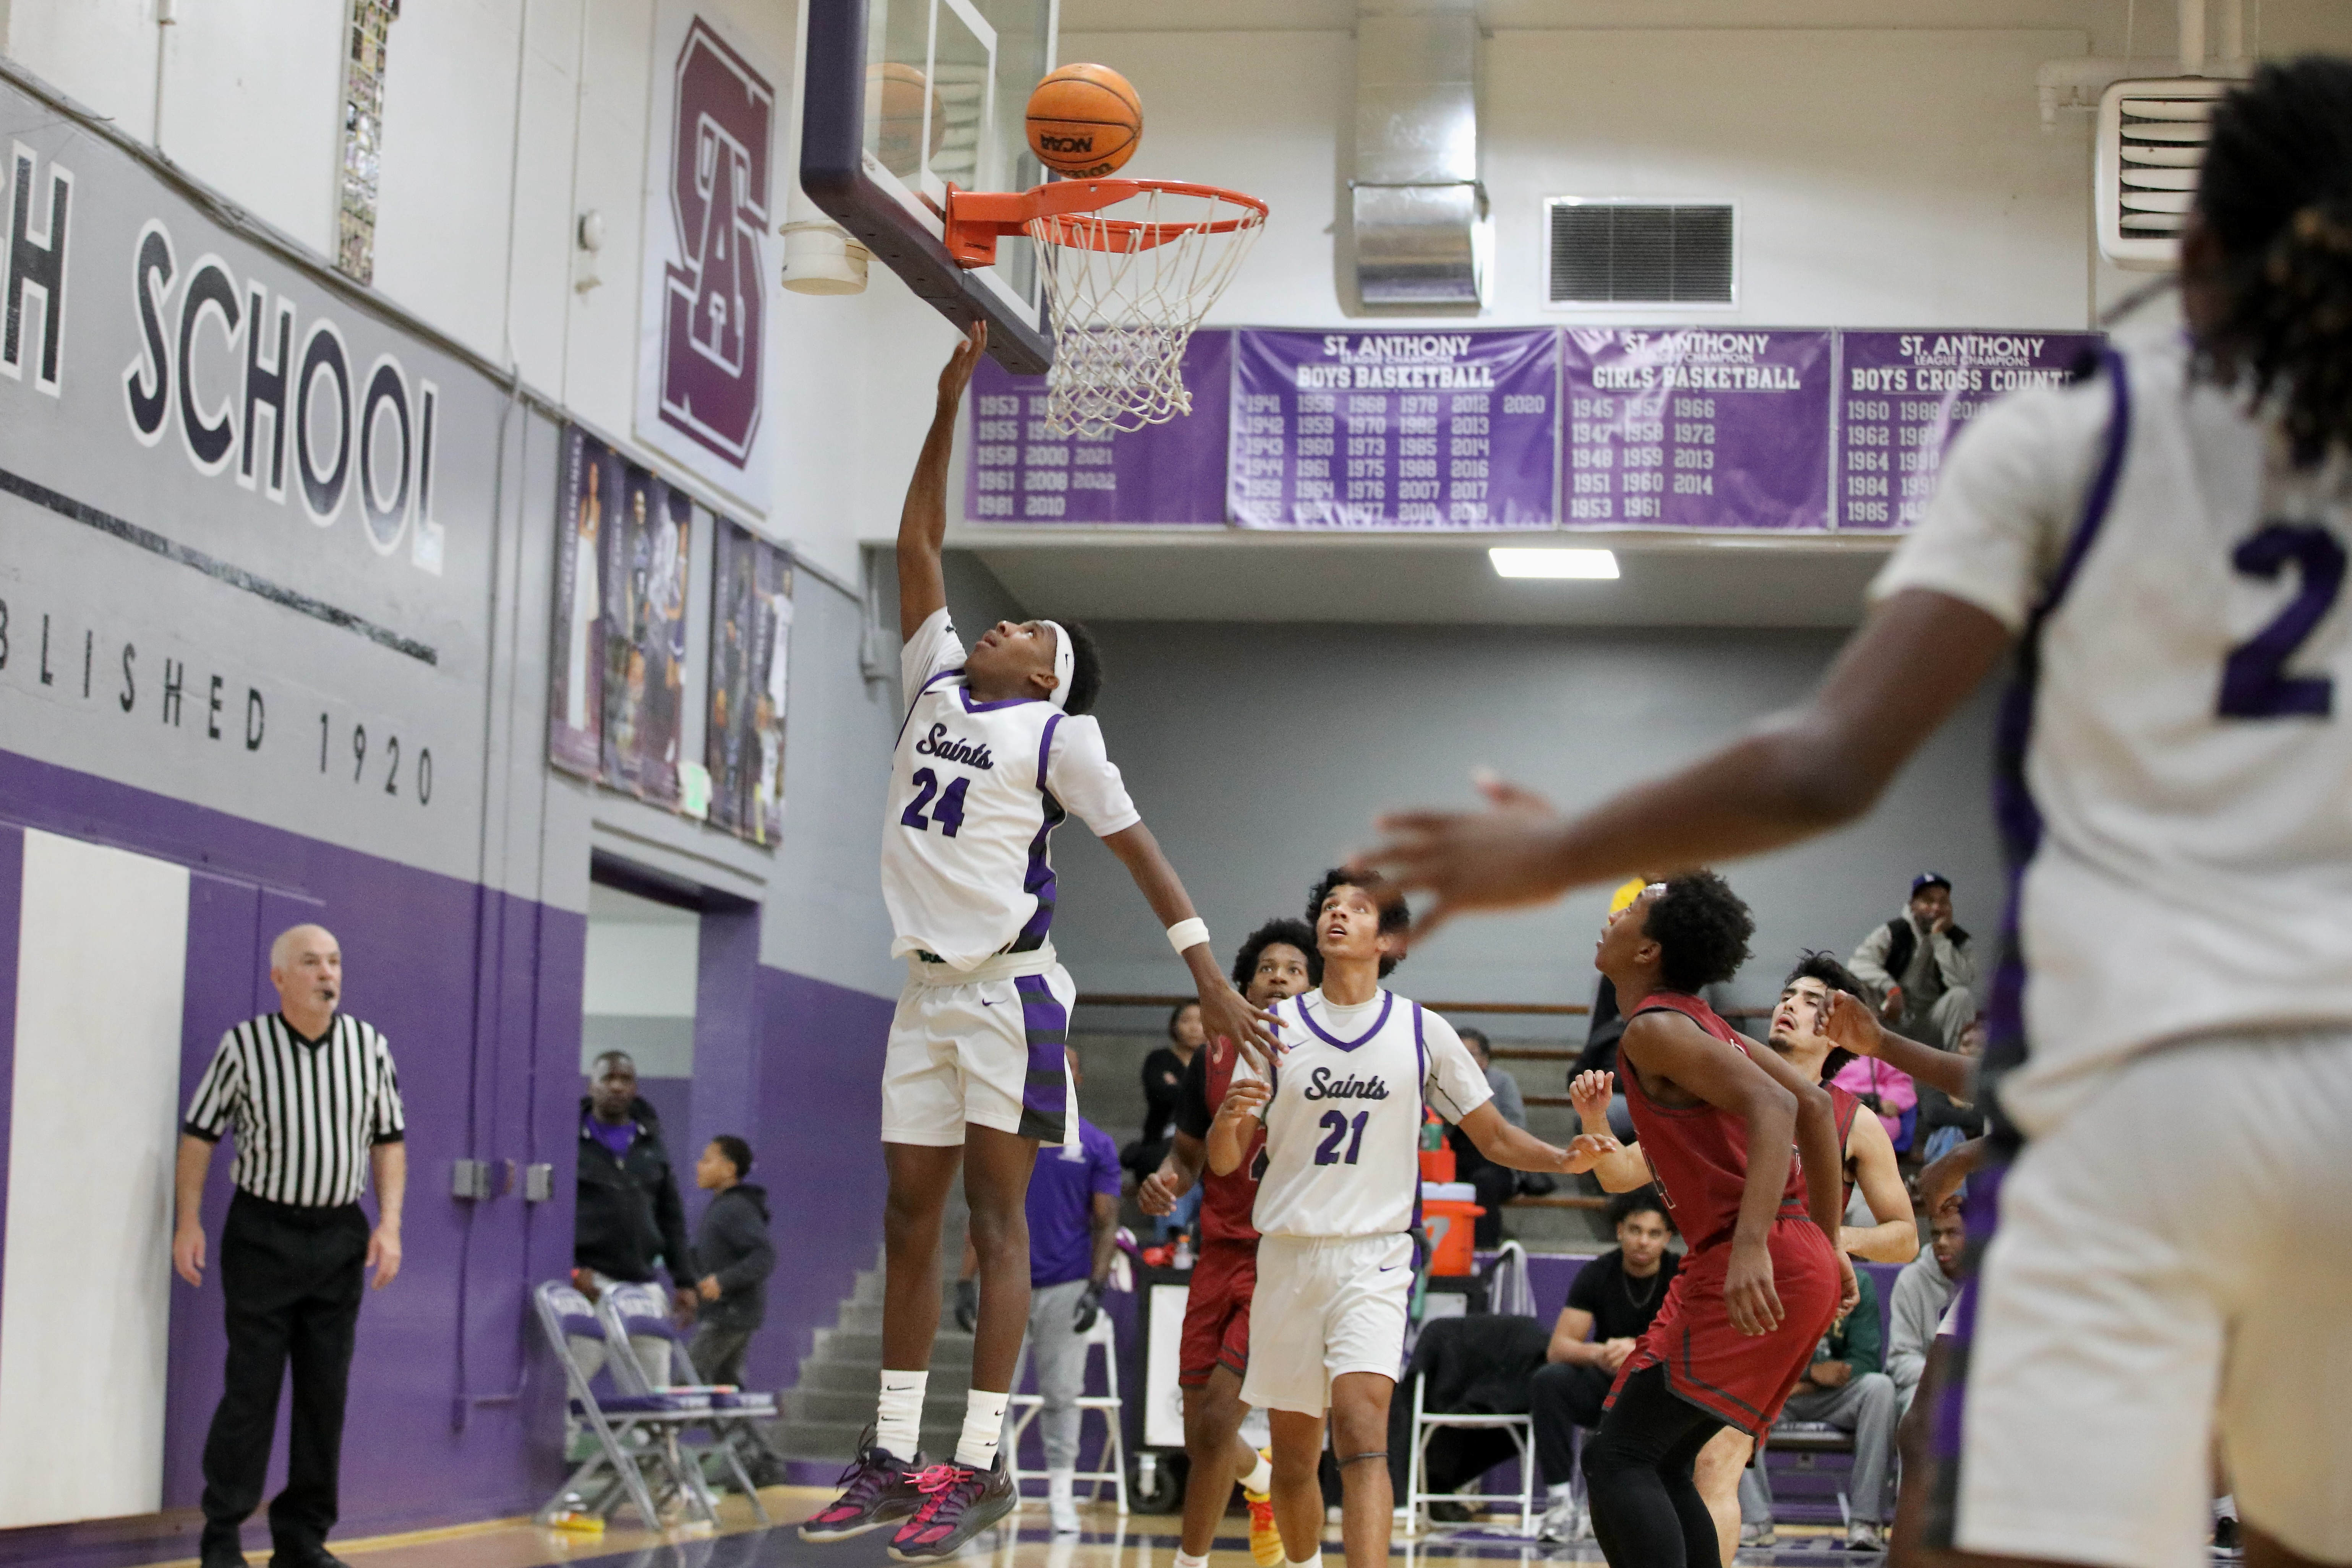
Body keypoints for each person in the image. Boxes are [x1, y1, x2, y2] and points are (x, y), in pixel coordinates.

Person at [1360, 57, 2352, 1568]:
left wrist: (1556, 844)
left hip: (2138, 1105)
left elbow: (1826, 758)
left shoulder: (2075, 431)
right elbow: (1808, 1105)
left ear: (2193, 247)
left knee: (1951, 1523)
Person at [803, 323, 1276, 1562]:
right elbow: (915, 543)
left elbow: (1141, 850)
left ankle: (979, 1466)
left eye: (1028, 633)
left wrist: (1210, 979)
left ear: (1048, 675)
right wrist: (943, 405)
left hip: (1016, 999)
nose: (1001, 628)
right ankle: (895, 1454)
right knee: (907, 1221)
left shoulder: (1058, 739)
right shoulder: (932, 682)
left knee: (996, 1228)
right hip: (921, 993)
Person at [1208, 870, 1609, 1568]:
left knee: (1365, 1436)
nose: (1337, 915)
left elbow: (1491, 1134)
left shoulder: (1422, 1030)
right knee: (1299, 1458)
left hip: (1375, 1256)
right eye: (1330, 906)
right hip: (1288, 1253)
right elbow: (1222, 1161)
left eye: (1357, 909)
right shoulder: (1276, 1027)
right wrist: (1230, 1118)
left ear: (1388, 937)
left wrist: (1562, 1156)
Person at [1574, 949, 1919, 1563]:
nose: (1789, 1004)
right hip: (1714, 1276)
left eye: (1812, 1000)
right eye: (1787, 994)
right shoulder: (1722, 1082)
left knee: (1704, 1459)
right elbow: (1622, 1171)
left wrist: (1831, 1239)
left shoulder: (1849, 1119)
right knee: (1656, 1455)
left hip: (1774, 1282)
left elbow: (1904, 1236)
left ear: (1839, 1029)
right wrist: (1597, 1121)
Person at [174, 924, 406, 1568]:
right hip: (262, 1232)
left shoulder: (369, 1046)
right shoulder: (244, 1046)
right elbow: (199, 1135)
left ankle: (301, 1537)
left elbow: (389, 1140)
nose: (326, 972)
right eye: (310, 962)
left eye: (334, 960)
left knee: (324, 1392)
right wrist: (187, 1221)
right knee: (251, 1388)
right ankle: (222, 1534)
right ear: (280, 977)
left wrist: (389, 1224)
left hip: (339, 1233)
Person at [1139, 918, 1318, 1568]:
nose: (1277, 975)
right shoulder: (1212, 1057)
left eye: (1294, 967)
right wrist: (1165, 1181)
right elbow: (1185, 1156)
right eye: (1266, 966)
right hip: (1217, 1253)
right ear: (1242, 984)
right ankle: (1263, 1483)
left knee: (1219, 1417)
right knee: (1200, 1432)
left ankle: (1191, 1561)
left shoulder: (1328, 1063)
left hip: (1281, 1259)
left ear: (1313, 987)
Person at [963, 1049, 1121, 1536]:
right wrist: (963, 1280)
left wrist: (1095, 1287)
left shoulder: (1095, 1143)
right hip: (1007, 1282)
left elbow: (1106, 1221)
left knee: (1061, 1394)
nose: (1061, 1070)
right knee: (993, 1394)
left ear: (1078, 1073)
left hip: (1066, 1283)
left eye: (1069, 1063)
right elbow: (984, 1210)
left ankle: (1060, 1491)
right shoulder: (1007, 1137)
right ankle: (987, 1488)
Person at [1531, 1190, 1680, 1542]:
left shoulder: (1680, 1276)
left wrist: (1640, 1351)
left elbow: (1695, 1343)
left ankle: (1680, 1502)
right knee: (1549, 1380)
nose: (1643, 1240)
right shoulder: (1598, 1273)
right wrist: (1600, 1353)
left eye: (1654, 1233)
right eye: (1635, 1229)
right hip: (1609, 1383)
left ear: (1668, 1238)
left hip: (1661, 1386)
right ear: (1619, 1231)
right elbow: (1559, 1347)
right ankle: (1560, 1502)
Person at [1735, 1267, 1897, 1552]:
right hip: (1778, 1393)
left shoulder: (1858, 1282)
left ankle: (1865, 1521)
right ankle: (1754, 1518)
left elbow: (1864, 1360)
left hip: (1836, 1396)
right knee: (1740, 1394)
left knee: (1880, 1388)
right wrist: (1812, 1374)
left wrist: (1813, 1380)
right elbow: (1756, 1357)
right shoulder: (1771, 1275)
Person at [574, 1049, 698, 1390]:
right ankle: (561, 1444)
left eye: (624, 1079)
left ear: (635, 1088)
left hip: (642, 1283)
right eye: (607, 1078)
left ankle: (651, 1442)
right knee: (568, 1385)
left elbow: (671, 1217)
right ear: (592, 1086)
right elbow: (554, 1212)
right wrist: (569, 1268)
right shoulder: (569, 1141)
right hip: (588, 1285)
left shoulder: (652, 1143)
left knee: (653, 1390)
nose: (616, 1086)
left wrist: (685, 1281)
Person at [688, 1135, 785, 1485]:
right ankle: (763, 1462)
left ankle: (738, 1457)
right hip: (732, 1312)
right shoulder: (723, 1207)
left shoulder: (735, 1208)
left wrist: (724, 1281)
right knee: (726, 1387)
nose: (700, 1166)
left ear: (730, 1169)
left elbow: (763, 1256)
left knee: (689, 1381)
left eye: (708, 1159)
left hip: (729, 1314)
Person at [1848, 874, 1977, 1049]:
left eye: (1943, 902)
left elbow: (1961, 982)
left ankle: (1953, 1067)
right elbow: (1858, 965)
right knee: (1864, 994)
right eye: (1928, 901)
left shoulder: (1959, 941)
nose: (1936, 908)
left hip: (1932, 1023)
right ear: (1913, 905)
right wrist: (1891, 989)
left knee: (1962, 996)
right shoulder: (1893, 932)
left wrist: (1940, 939)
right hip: (1894, 1023)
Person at [1131, 1002, 1207, 1240]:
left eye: (1201, 1020)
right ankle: (1169, 1250)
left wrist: (1179, 1087)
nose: (1195, 1028)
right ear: (1174, 1026)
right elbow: (1160, 1093)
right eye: (1186, 1021)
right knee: (1174, 1182)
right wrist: (1198, 1093)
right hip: (1164, 1149)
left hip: (1209, 1153)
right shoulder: (1160, 1059)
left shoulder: (1218, 1060)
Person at [1449, 1027, 1529, 1246]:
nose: (1465, 1060)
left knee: (1483, 1182)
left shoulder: (1502, 1082)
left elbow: (1517, 1126)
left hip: (1498, 1162)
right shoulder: (1442, 1083)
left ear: (1484, 1060)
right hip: (1456, 1157)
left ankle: (1484, 1251)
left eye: (1471, 1054)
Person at [1888, 1204, 1966, 1416]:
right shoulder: (1911, 1280)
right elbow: (1900, 1360)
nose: (1941, 1242)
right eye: (1936, 1235)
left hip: (1978, 1385)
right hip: (1923, 1385)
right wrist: (1944, 1376)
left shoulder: (1988, 1278)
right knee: (1922, 1402)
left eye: (1952, 1233)